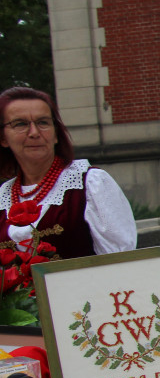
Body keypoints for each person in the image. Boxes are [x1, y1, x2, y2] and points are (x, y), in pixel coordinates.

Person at [0, 87, 136, 259]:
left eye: (43, 122)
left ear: (56, 134)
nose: (34, 133)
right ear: (3, 138)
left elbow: (122, 259)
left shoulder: (89, 183)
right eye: (20, 124)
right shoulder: (3, 195)